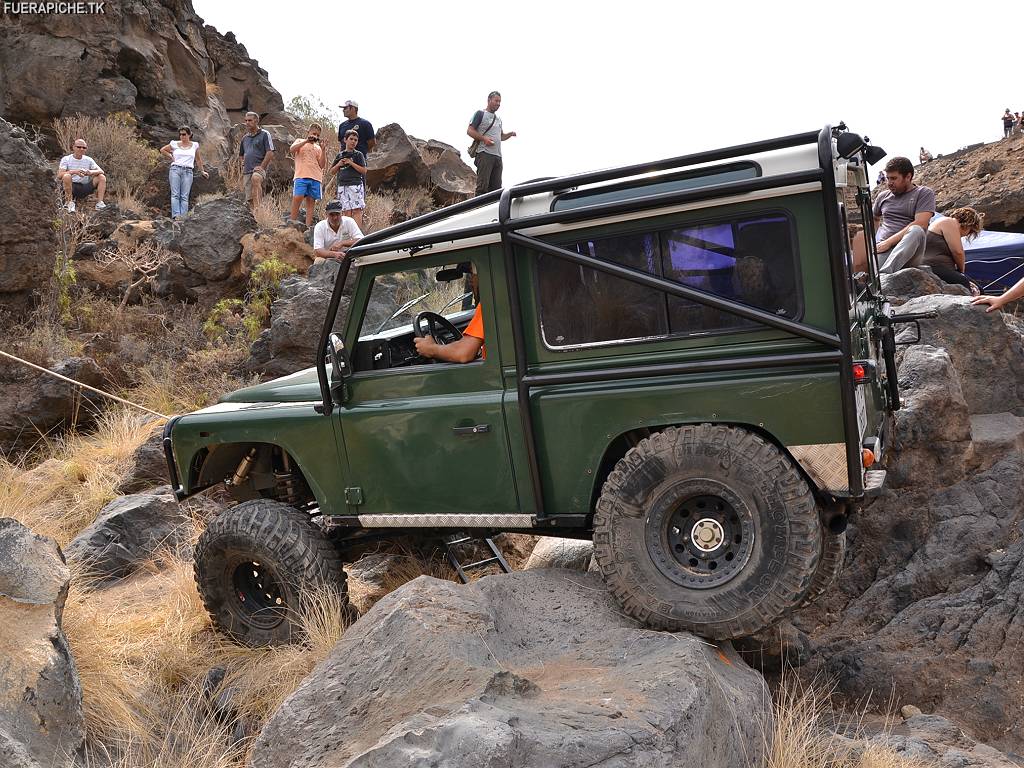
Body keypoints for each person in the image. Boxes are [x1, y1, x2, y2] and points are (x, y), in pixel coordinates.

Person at [872, 156, 936, 274]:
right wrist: (872, 243)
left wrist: (888, 242)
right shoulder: (883, 196)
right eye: (888, 178)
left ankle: (885, 275)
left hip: (910, 251)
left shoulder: (923, 193)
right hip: (884, 247)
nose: (889, 183)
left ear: (908, 177)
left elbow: (921, 223)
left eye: (894, 178)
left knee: (916, 230)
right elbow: (874, 219)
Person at [414, 266, 485, 363]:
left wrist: (431, 349)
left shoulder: (489, 305)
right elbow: (466, 345)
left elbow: (463, 353)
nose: (471, 281)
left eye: (473, 274)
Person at [920, 207, 983, 294]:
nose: (966, 235)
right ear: (969, 225)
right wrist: (961, 271)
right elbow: (958, 252)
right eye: (970, 231)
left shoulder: (944, 224)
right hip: (934, 266)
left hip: (941, 267)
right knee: (969, 287)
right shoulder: (949, 222)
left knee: (979, 289)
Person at [467, 91, 517, 196]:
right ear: (489, 100)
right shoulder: (480, 114)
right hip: (484, 154)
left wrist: (510, 134)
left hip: (497, 156)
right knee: (482, 187)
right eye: (496, 101)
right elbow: (470, 130)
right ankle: (478, 210)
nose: (498, 103)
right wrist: (484, 139)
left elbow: (501, 137)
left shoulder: (499, 119)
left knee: (496, 190)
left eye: (500, 101)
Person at [160, 126, 209, 220]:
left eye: (184, 134)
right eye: (180, 134)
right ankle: (176, 216)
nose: (182, 136)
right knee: (175, 194)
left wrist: (202, 171)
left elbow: (198, 159)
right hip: (175, 170)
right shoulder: (174, 144)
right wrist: (170, 156)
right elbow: (162, 150)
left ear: (189, 135)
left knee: (184, 196)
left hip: (188, 171)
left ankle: (183, 217)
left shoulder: (195, 145)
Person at [327, 129, 368, 229]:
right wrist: (339, 164)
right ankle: (347, 234)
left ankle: (357, 236)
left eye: (355, 140)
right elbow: (332, 171)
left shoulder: (358, 155)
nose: (353, 141)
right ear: (345, 140)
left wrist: (351, 163)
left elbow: (364, 170)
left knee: (357, 210)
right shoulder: (340, 155)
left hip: (355, 185)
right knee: (346, 211)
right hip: (342, 186)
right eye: (351, 139)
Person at [288, 123, 326, 227]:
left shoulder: (318, 148)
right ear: (308, 132)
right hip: (301, 175)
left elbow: (322, 165)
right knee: (298, 197)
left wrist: (323, 150)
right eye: (314, 134)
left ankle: (308, 227)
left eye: (318, 135)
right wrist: (306, 141)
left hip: (315, 177)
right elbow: (292, 150)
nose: (316, 137)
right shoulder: (300, 141)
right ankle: (292, 223)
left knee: (311, 201)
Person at [58, 138, 107, 212]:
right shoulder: (66, 159)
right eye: (79, 147)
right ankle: (69, 203)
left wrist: (90, 172)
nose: (81, 149)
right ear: (74, 147)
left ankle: (100, 203)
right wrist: (75, 172)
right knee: (66, 176)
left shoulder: (88, 159)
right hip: (71, 186)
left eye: (84, 147)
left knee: (101, 177)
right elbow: (59, 175)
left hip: (84, 187)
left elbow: (101, 171)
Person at [239, 111, 275, 210]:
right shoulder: (244, 138)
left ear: (256, 121)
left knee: (255, 178)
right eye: (245, 121)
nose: (247, 123)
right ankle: (254, 219)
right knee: (249, 199)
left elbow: (270, 152)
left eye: (250, 120)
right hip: (247, 170)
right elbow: (241, 154)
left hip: (259, 169)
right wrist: (243, 162)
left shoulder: (264, 134)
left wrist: (262, 167)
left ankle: (259, 209)